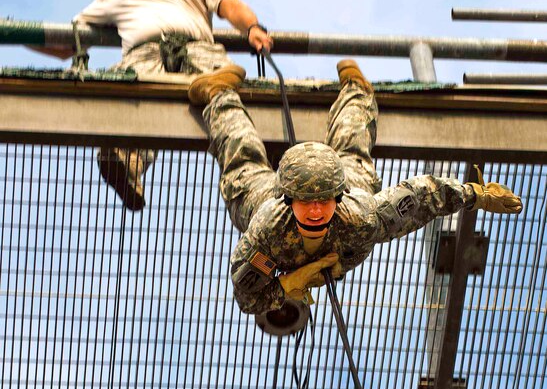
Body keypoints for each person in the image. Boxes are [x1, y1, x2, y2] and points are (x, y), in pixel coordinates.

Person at [186, 59, 523, 316]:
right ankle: (218, 94)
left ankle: (356, 88)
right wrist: (285, 287)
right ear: (287, 200)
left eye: (323, 200)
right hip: (259, 197)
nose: (316, 210)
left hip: (352, 189)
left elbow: (424, 196)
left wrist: (474, 195)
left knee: (352, 150)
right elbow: (247, 296)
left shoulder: (361, 216)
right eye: (306, 202)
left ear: (337, 196)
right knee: (242, 162)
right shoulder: (265, 230)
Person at [32, 0, 273, 210]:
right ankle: (126, 163)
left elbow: (230, 6)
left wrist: (252, 27)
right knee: (130, 102)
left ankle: (253, 187)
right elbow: (67, 44)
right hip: (142, 61)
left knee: (226, 107)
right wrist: (18, 34)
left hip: (198, 55)